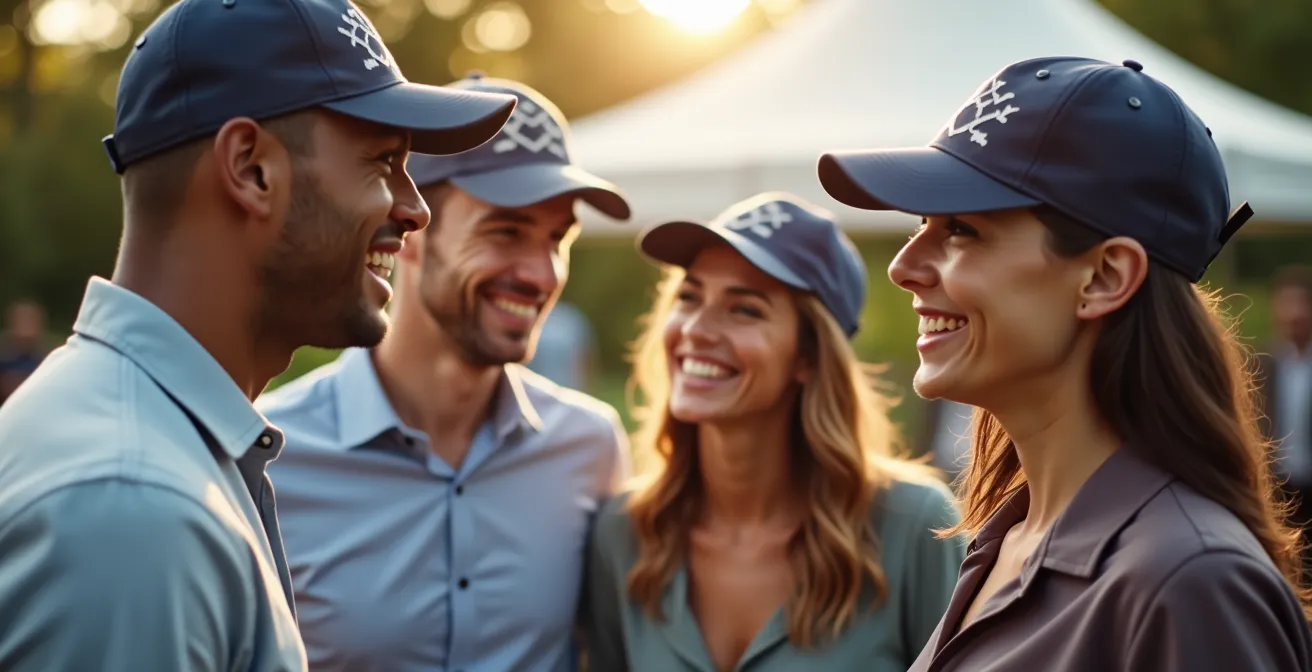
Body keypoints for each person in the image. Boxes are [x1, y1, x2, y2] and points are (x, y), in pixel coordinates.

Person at [0, 1, 516, 669]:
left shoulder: (150, 447)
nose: (414, 207)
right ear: (251, 169)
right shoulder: (134, 509)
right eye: (383, 160)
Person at [818, 55, 1312, 670]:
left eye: (962, 229)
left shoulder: (1188, 584)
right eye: (922, 223)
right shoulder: (1005, 540)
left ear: (1104, 277)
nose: (903, 266)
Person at [256, 75, 632, 672]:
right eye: (505, 231)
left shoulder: (590, 447)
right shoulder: (269, 455)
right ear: (410, 231)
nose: (541, 274)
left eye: (556, 239)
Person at [584, 192, 966, 671]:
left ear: (807, 356)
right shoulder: (623, 532)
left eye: (744, 310)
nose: (697, 329)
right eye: (688, 296)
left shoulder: (915, 526)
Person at [1258, 266, 1312, 568]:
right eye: (1287, 305)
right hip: (1277, 486)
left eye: (1301, 304)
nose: (1295, 314)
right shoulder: (1260, 365)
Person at [0, 299, 49, 405]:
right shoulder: (4, 358)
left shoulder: (47, 360)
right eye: (22, 321)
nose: (26, 329)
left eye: (30, 322)